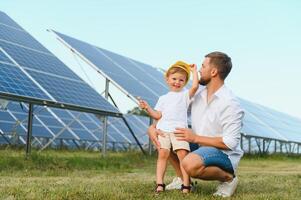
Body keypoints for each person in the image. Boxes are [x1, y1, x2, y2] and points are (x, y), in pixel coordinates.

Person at [148, 51, 244, 197]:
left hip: (223, 154)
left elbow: (230, 143)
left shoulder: (230, 103)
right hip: (199, 145)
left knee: (190, 163)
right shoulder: (197, 94)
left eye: (203, 66)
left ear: (213, 72)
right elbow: (173, 113)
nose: (199, 70)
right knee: (165, 141)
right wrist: (153, 128)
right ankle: (184, 180)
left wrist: (194, 138)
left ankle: (229, 179)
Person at [139, 61, 199, 193]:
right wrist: (147, 108)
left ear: (185, 82)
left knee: (183, 155)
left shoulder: (185, 96)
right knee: (163, 154)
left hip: (179, 131)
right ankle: (160, 183)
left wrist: (194, 71)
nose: (177, 82)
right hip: (164, 131)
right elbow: (157, 115)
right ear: (167, 79)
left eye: (181, 80)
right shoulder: (163, 98)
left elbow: (194, 87)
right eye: (174, 79)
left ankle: (186, 184)